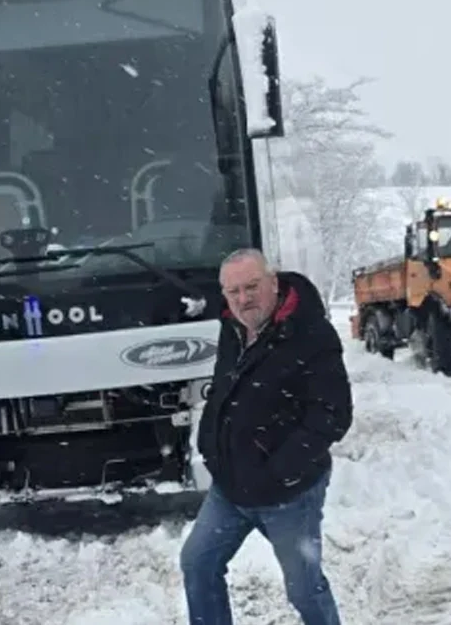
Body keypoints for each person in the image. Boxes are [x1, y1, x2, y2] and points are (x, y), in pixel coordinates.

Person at [180, 248, 353, 625]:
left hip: (289, 493)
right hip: (230, 487)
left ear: (273, 283)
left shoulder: (310, 333)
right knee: (197, 563)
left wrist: (278, 470)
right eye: (233, 291)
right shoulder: (233, 327)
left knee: (304, 589)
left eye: (252, 287)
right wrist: (209, 442)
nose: (244, 299)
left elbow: (334, 415)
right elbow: (226, 391)